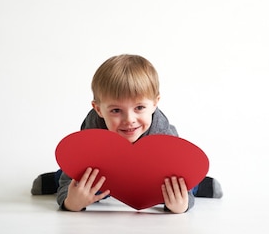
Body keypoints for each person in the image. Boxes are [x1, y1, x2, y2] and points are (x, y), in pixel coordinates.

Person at [31, 54, 222, 213]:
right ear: (98, 109)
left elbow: (178, 175)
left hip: (151, 180)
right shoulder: (93, 130)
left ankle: (201, 185)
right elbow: (77, 171)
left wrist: (182, 205)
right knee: (84, 184)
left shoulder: (163, 134)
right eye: (115, 111)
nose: (129, 119)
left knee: (177, 186)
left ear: (155, 103)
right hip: (108, 180)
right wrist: (70, 202)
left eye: (139, 107)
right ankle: (54, 180)